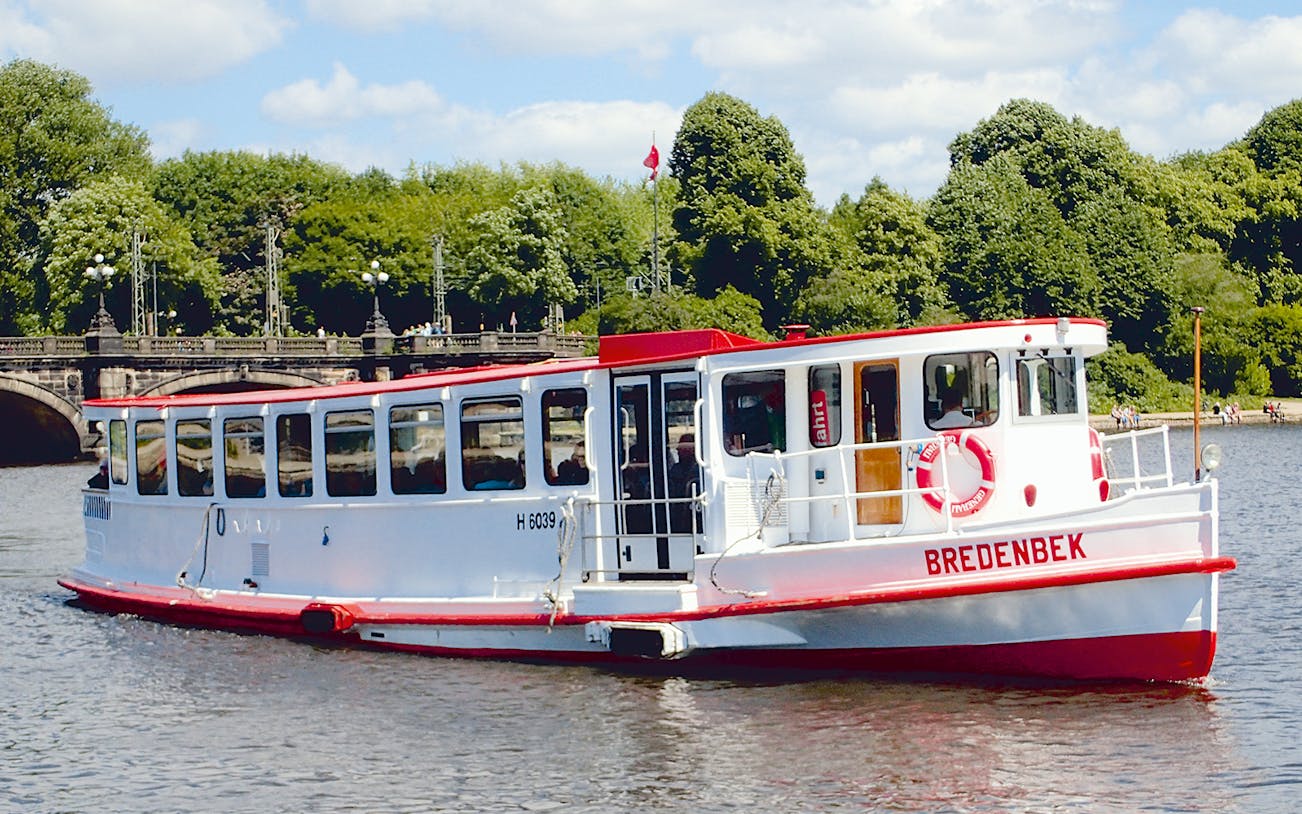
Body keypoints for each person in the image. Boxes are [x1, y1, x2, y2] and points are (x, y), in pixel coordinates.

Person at [668, 434, 701, 532]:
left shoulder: (698, 470)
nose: (677, 449)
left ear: (693, 449)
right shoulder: (676, 468)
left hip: (691, 512)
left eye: (682, 446)